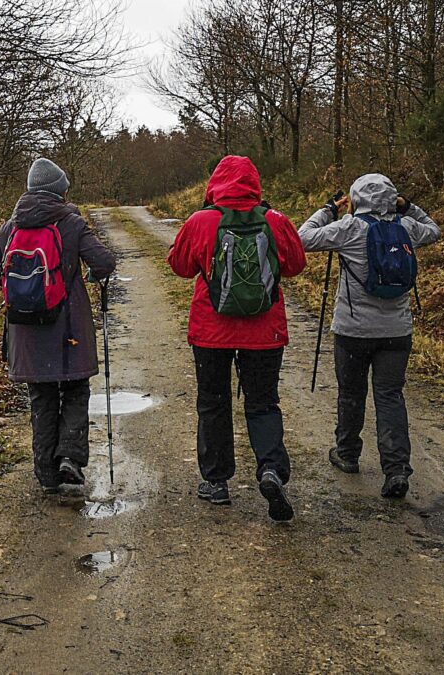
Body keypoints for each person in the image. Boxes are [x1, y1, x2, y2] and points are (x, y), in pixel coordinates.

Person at [167, 155, 305, 522]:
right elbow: (295, 266)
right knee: (263, 403)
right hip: (265, 331)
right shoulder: (275, 221)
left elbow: (179, 267)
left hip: (211, 333)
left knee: (213, 403)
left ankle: (216, 482)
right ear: (255, 183)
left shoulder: (201, 221)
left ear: (215, 184)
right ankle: (271, 470)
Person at [298, 174, 441, 498]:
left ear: (356, 198)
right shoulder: (406, 228)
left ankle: (347, 454)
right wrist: (409, 208)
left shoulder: (348, 229)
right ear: (392, 199)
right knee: (390, 396)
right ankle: (396, 470)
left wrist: (328, 210)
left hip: (353, 331)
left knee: (351, 392)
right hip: (397, 331)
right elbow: (434, 230)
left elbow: (302, 238)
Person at [0, 158, 116, 493]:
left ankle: (45, 475)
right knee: (74, 389)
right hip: (68, 329)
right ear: (59, 190)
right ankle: (69, 457)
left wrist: (24, 290)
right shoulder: (70, 221)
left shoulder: (12, 225)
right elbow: (105, 262)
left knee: (41, 397)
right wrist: (91, 275)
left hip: (25, 331)